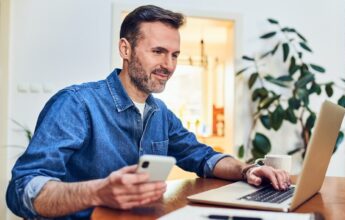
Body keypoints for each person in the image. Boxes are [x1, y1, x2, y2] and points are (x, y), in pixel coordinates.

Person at [6, 5, 291, 219]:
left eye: (175, 54)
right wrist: (97, 191)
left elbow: (203, 156)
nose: (169, 65)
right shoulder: (76, 104)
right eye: (158, 51)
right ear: (125, 49)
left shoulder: (160, 113)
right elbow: (22, 191)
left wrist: (248, 170)